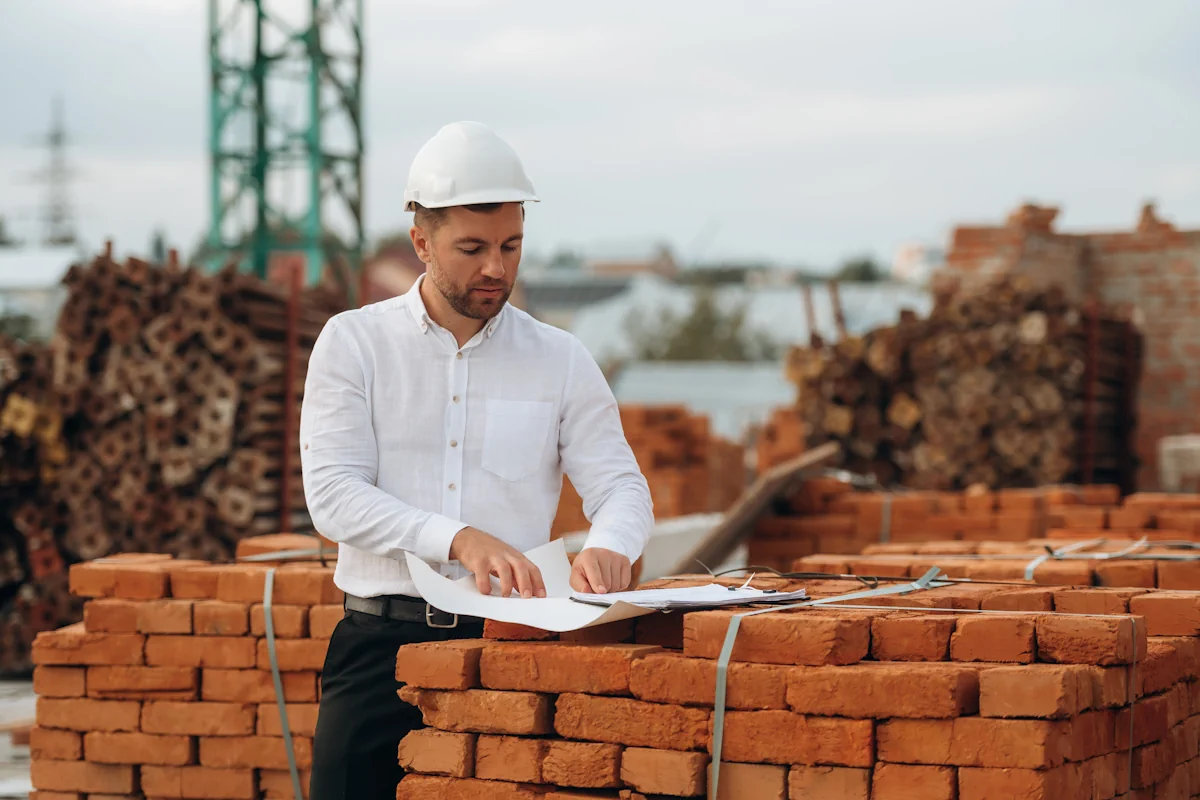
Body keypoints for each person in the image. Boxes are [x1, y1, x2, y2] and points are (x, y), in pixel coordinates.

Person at [300, 120, 655, 800]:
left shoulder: (562, 359)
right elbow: (335, 495)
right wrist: (458, 537)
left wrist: (611, 544)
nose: (496, 267)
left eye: (511, 245)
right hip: (382, 649)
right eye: (472, 248)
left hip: (515, 652)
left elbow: (621, 489)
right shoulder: (354, 345)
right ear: (420, 242)